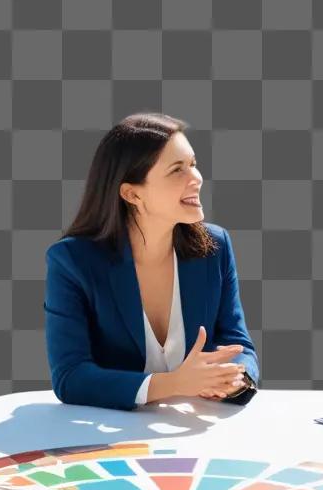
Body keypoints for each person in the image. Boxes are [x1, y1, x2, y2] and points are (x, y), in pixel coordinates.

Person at [45, 112, 259, 411]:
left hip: (199, 430)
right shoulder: (73, 262)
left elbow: (238, 344)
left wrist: (235, 378)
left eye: (193, 165)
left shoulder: (216, 247)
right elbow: (70, 377)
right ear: (131, 193)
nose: (195, 178)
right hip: (105, 442)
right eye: (176, 170)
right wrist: (174, 384)